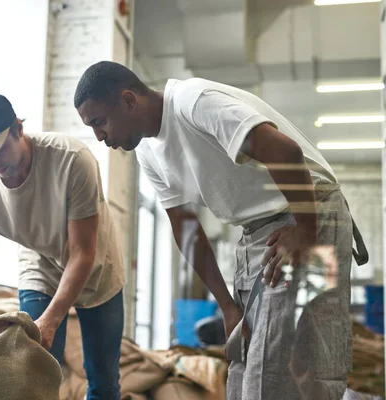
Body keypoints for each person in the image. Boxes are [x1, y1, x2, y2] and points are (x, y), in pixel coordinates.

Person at [73, 61, 368, 400]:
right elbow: (187, 230)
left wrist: (305, 232)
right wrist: (227, 306)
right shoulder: (150, 154)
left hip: (312, 214)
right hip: (258, 231)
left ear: (128, 100)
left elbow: (284, 151)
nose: (98, 135)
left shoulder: (193, 102)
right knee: (244, 364)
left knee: (293, 361)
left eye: (99, 122)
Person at [0, 93, 125, 400]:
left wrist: (53, 318)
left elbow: (82, 254)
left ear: (18, 128)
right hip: (40, 265)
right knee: (33, 368)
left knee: (103, 378)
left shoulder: (72, 160)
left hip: (96, 265)